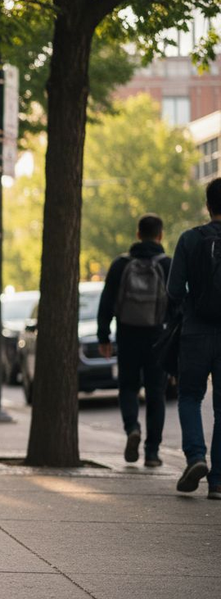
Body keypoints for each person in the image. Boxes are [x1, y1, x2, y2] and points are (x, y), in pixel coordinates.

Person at [97, 215, 171, 467]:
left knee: (128, 387)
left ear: (138, 235)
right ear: (160, 235)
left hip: (127, 334)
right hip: (157, 337)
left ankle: (132, 429)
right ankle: (152, 453)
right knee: (156, 393)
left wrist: (103, 336)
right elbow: (177, 305)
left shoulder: (121, 264)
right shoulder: (166, 265)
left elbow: (107, 301)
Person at [168, 178, 221, 498]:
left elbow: (174, 290)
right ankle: (218, 482)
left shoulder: (190, 239)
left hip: (195, 332)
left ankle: (196, 456)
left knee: (189, 397)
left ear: (207, 205)